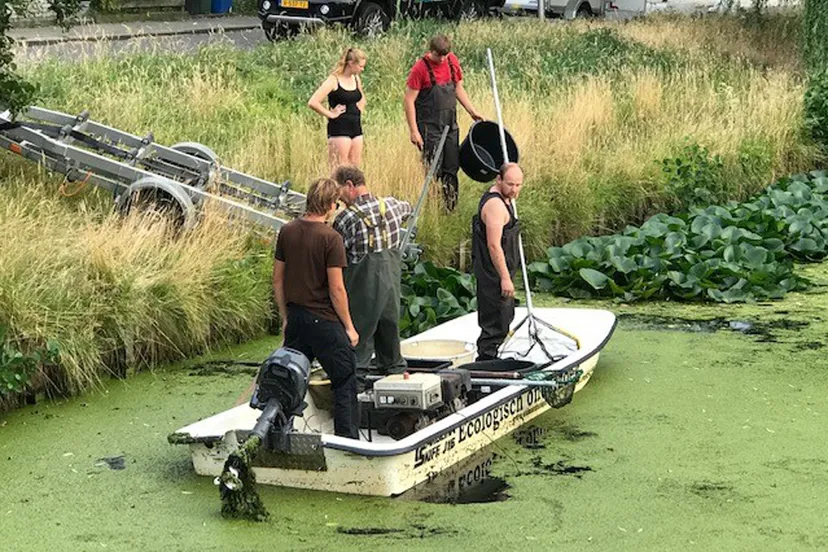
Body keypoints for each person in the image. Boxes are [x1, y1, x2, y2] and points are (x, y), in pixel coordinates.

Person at [254, 177, 360, 439]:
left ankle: (277, 435)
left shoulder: (287, 231)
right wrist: (349, 327)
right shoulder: (331, 239)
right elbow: (337, 289)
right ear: (331, 205)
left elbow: (277, 279)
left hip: (296, 319)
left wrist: (285, 316)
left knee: (288, 379)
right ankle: (347, 442)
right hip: (323, 322)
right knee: (345, 378)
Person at [332, 165, 413, 393]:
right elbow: (409, 209)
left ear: (350, 185)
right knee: (390, 339)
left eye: (339, 190)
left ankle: (353, 394)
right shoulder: (393, 205)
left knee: (358, 343)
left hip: (362, 292)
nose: (338, 197)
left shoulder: (346, 218)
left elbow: (334, 258)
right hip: (390, 289)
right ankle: (398, 387)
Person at [404, 34, 484, 212]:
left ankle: (450, 209)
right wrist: (414, 131)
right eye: (438, 55)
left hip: (450, 124)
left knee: (451, 166)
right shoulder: (420, 69)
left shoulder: (451, 61)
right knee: (433, 168)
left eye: (444, 55)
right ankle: (433, 209)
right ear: (431, 51)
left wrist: (472, 111)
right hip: (429, 126)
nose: (441, 59)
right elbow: (409, 100)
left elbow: (458, 88)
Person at [472, 163, 524, 361]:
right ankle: (486, 363)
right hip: (493, 274)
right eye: (510, 184)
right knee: (495, 322)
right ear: (498, 180)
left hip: (500, 271)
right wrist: (505, 278)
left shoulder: (506, 200)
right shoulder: (495, 206)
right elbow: (494, 245)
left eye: (518, 185)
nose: (514, 189)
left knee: (504, 317)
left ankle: (493, 359)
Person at [308, 48, 368, 169]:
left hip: (356, 127)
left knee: (355, 169)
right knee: (339, 169)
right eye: (360, 66)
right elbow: (313, 102)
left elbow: (362, 98)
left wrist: (358, 110)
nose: (362, 69)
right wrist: (330, 114)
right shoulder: (333, 80)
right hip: (340, 129)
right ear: (351, 63)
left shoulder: (356, 78)